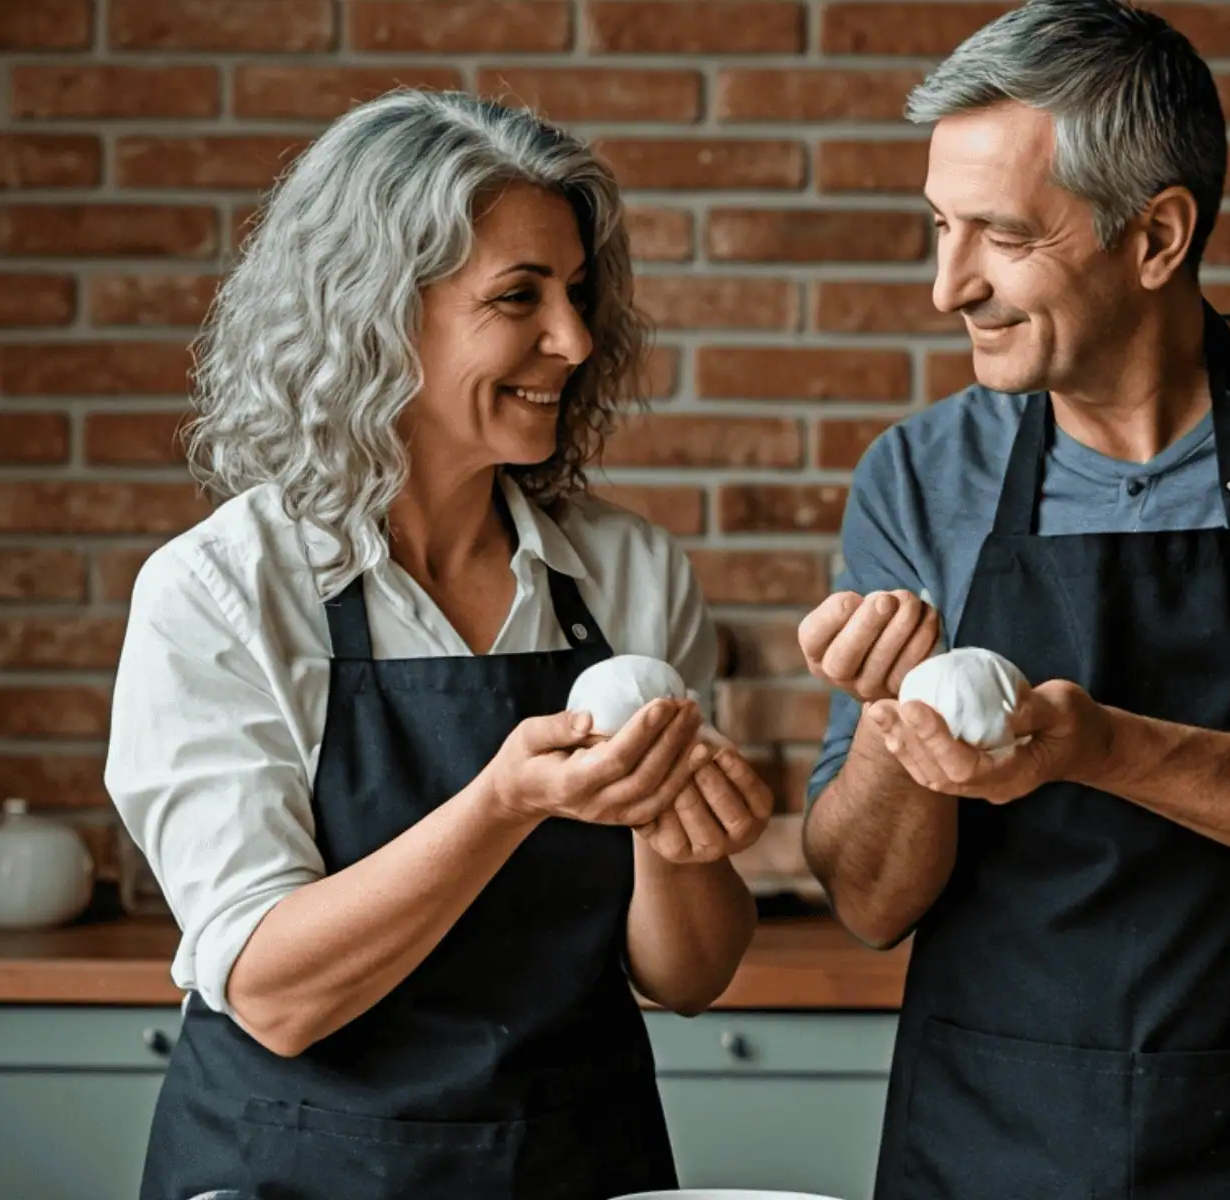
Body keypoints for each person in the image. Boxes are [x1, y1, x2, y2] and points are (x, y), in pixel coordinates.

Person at [798, 3, 1230, 1198]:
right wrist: (892, 741)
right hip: (994, 1136)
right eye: (938, 227)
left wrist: (1096, 746)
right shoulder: (918, 476)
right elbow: (866, 901)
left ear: (1156, 236)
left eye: (999, 236)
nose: (947, 285)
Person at [106, 88, 773, 1200]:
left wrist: (678, 833)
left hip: (571, 1161)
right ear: (376, 318)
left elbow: (690, 975)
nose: (574, 339)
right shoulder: (222, 593)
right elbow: (274, 990)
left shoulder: (627, 577)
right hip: (295, 1168)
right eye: (520, 297)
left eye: (577, 291)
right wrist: (501, 801)